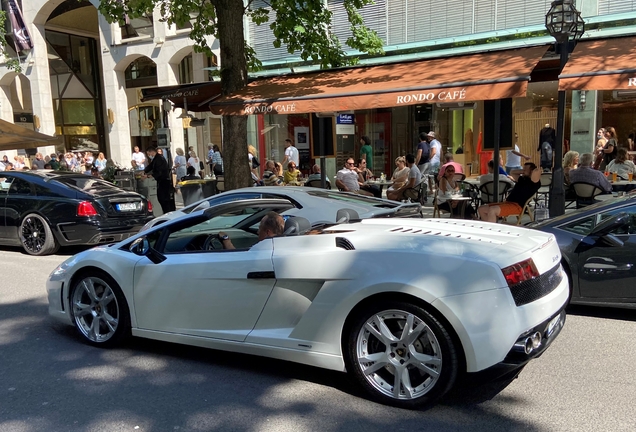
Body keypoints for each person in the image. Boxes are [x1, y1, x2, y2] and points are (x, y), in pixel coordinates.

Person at [218, 211, 285, 250]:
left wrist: (226, 240)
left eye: (260, 228)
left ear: (268, 232)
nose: (257, 232)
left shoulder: (262, 248)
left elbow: (238, 258)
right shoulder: (284, 245)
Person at [144, 146, 175, 213]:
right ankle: (165, 211)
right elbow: (151, 166)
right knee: (161, 198)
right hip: (161, 181)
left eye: (149, 154)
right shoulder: (156, 158)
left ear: (152, 152)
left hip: (163, 180)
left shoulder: (159, 159)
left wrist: (150, 176)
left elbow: (160, 171)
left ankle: (167, 212)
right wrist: (144, 171)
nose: (149, 156)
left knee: (163, 199)